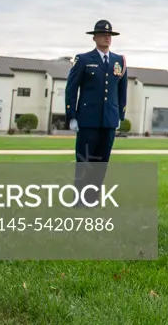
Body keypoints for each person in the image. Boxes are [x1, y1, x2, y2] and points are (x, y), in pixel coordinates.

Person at [64, 20, 129, 202]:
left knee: (101, 163)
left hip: (108, 120)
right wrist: (72, 116)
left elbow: (122, 91)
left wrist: (119, 115)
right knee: (84, 162)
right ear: (94, 38)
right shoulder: (83, 60)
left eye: (109, 35)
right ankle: (80, 201)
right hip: (87, 120)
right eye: (102, 35)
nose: (107, 38)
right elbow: (71, 89)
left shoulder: (119, 61)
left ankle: (93, 200)